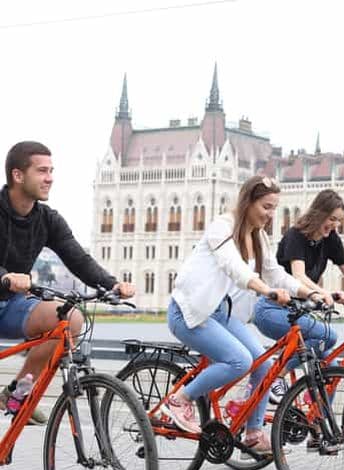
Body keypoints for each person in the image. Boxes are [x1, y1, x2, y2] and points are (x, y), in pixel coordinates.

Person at [162, 176, 319, 454]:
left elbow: (275, 272)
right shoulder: (221, 227)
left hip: (220, 313)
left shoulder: (258, 236)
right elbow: (234, 266)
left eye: (274, 209)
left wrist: (308, 292)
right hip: (190, 313)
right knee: (239, 361)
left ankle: (253, 433)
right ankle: (180, 399)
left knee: (264, 364)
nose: (270, 215)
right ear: (248, 201)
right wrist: (266, 290)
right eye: (266, 207)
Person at [0, 141, 134, 424]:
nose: (50, 178)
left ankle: (17, 392)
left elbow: (78, 258)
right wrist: (6, 276)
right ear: (18, 175)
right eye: (42, 171)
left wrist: (111, 284)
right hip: (7, 289)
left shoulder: (47, 219)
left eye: (51, 170)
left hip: (10, 305)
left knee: (69, 320)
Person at [253, 189, 344, 407]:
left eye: (339, 221)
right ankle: (277, 374)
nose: (335, 225)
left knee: (327, 368)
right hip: (271, 310)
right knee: (328, 335)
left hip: (299, 310)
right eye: (332, 219)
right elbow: (298, 276)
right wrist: (321, 293)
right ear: (318, 214)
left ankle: (318, 423)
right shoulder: (295, 236)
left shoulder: (330, 239)